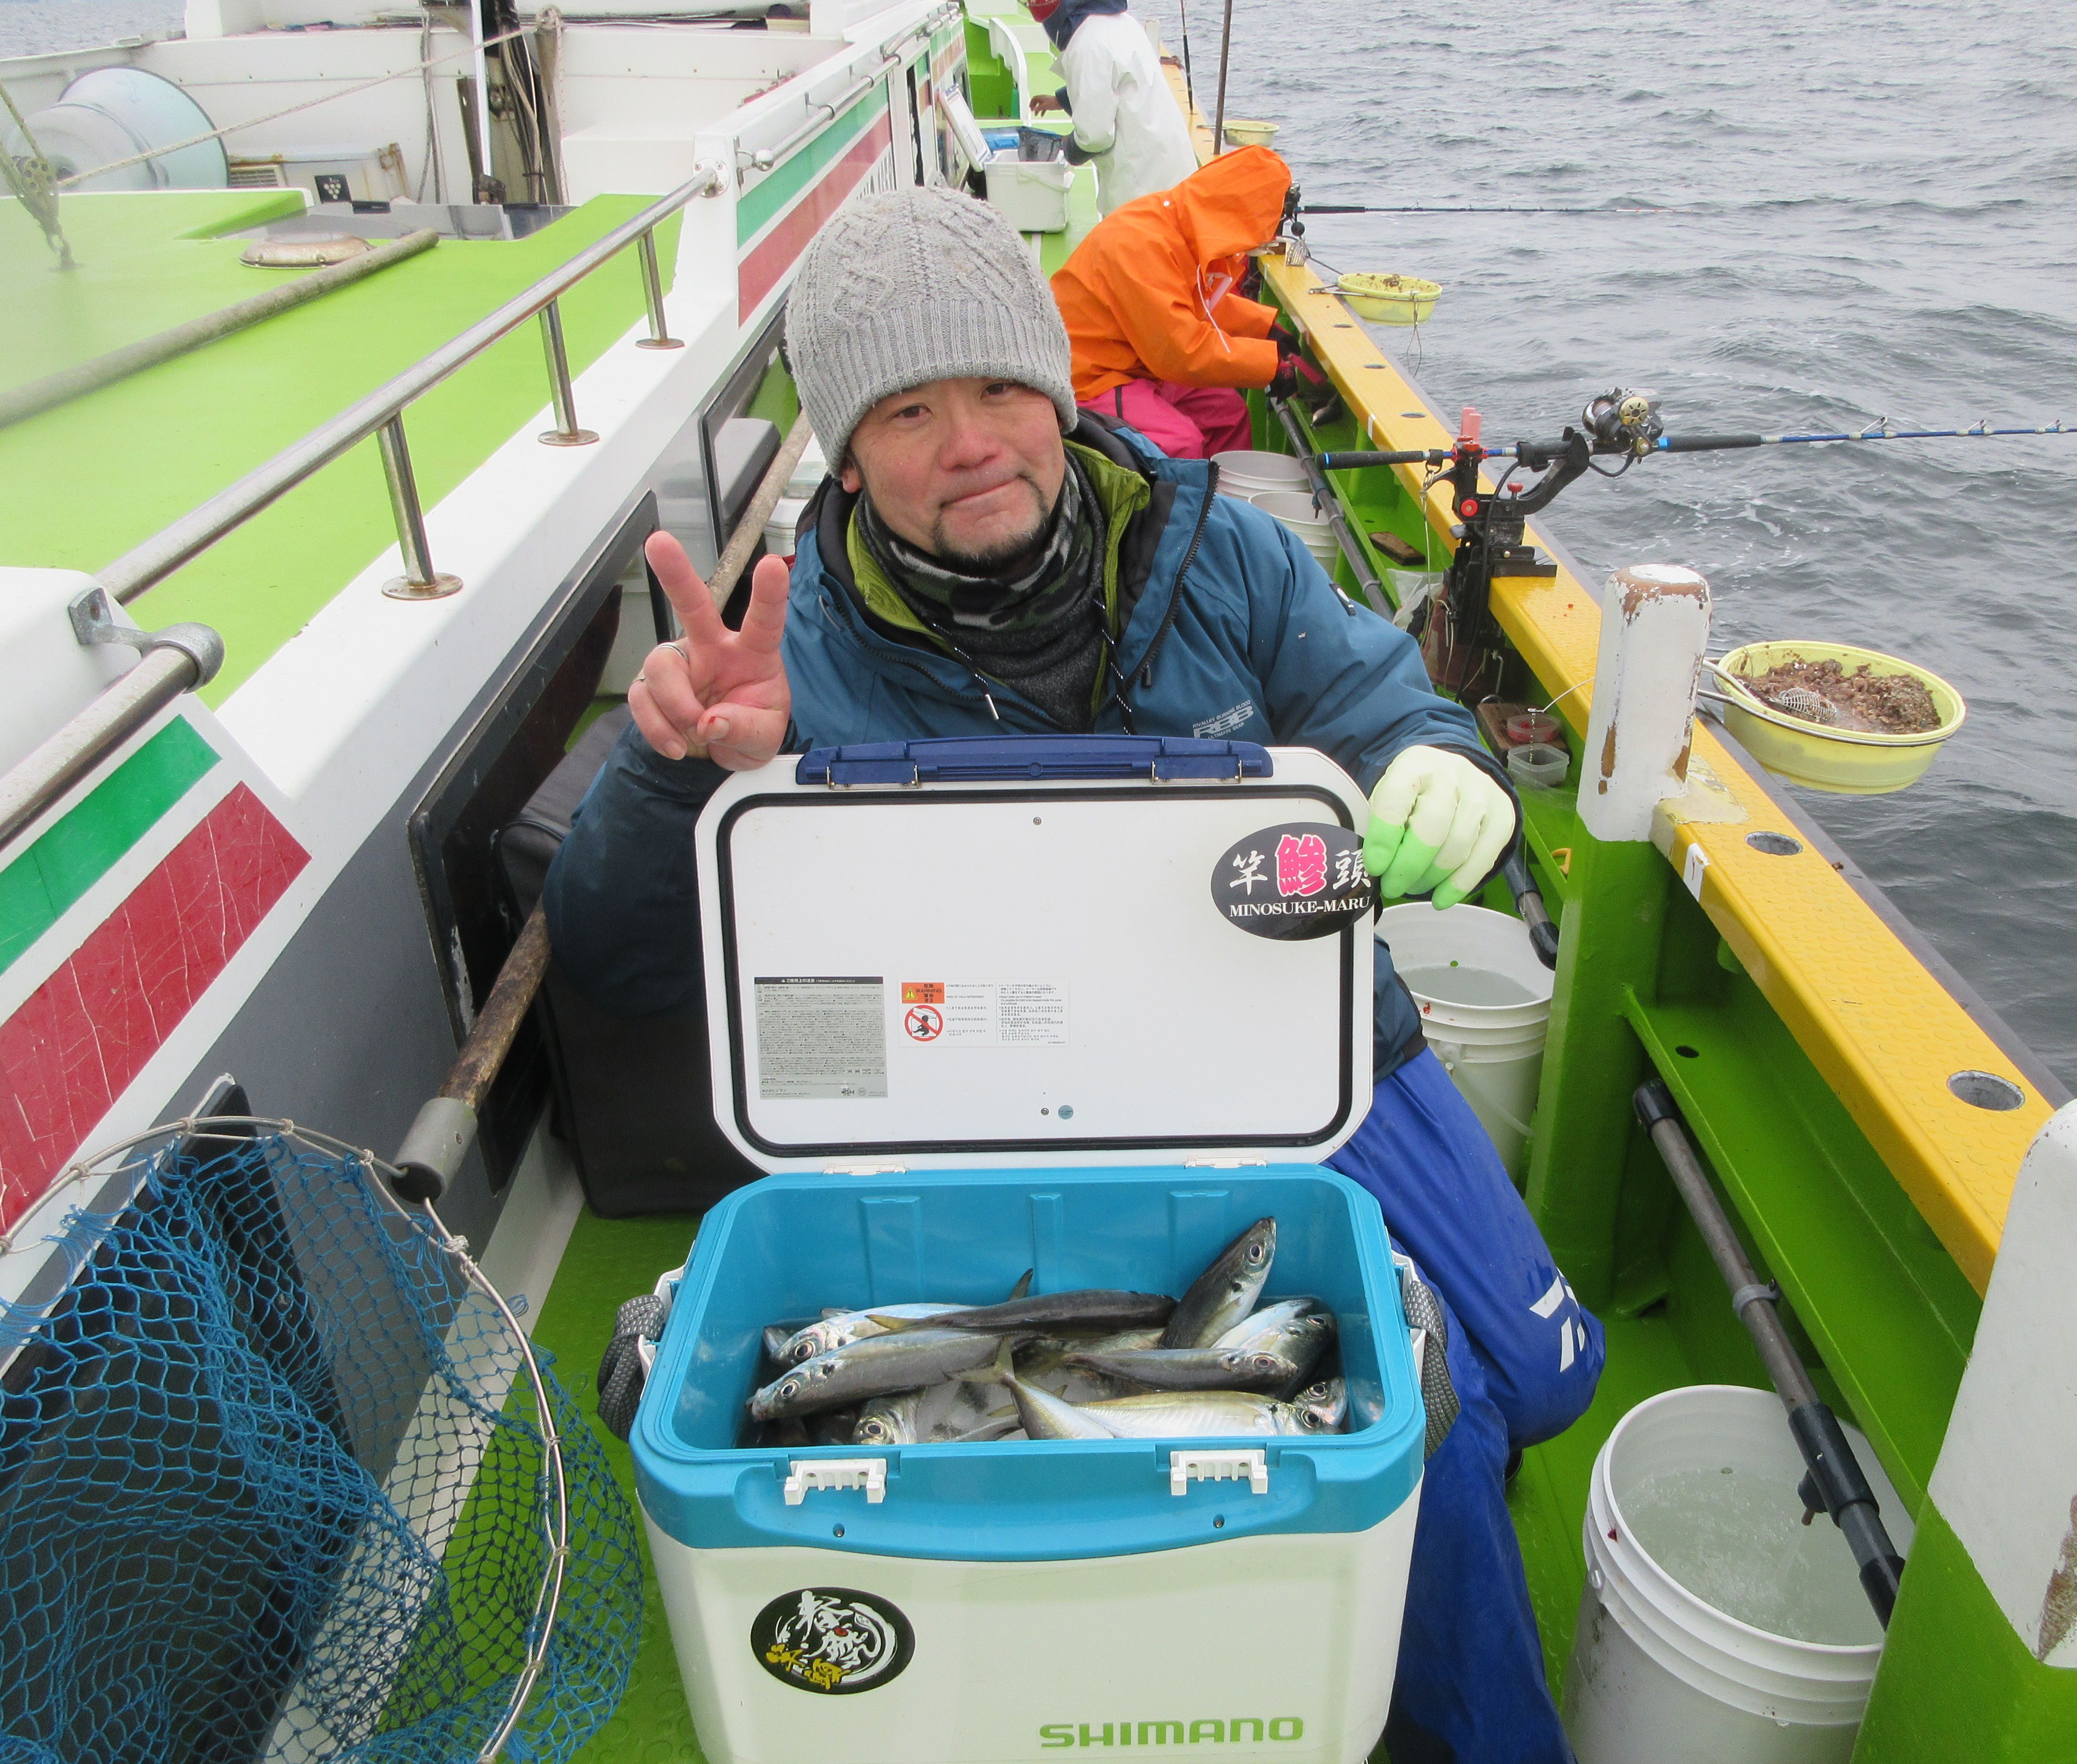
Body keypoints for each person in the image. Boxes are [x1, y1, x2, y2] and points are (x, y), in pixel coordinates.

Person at [543, 187, 1604, 1764]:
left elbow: (1387, 704)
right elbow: (614, 955)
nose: (970, 441)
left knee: (1540, 1377)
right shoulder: (784, 644)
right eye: (908, 411)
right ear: (849, 453)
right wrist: (675, 767)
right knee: (1429, 1433)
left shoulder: (1221, 550)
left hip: (1283, 1043)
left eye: (999, 388)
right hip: (981, 1091)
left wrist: (1443, 762)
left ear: (1059, 394)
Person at [1049, 143, 1327, 460]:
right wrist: (1268, 365)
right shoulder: (1141, 242)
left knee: (1228, 414)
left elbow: (1197, 304)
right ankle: (1178, 493)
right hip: (1089, 374)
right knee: (1181, 441)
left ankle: (1221, 491)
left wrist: (1263, 329)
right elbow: (1179, 352)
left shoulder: (1181, 226)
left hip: (1136, 361)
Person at [1023, 0, 1197, 216]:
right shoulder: (1123, 24)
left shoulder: (1086, 42)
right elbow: (1119, 83)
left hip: (1142, 188)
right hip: (1171, 170)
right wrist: (1061, 100)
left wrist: (1068, 147)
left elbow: (1095, 136)